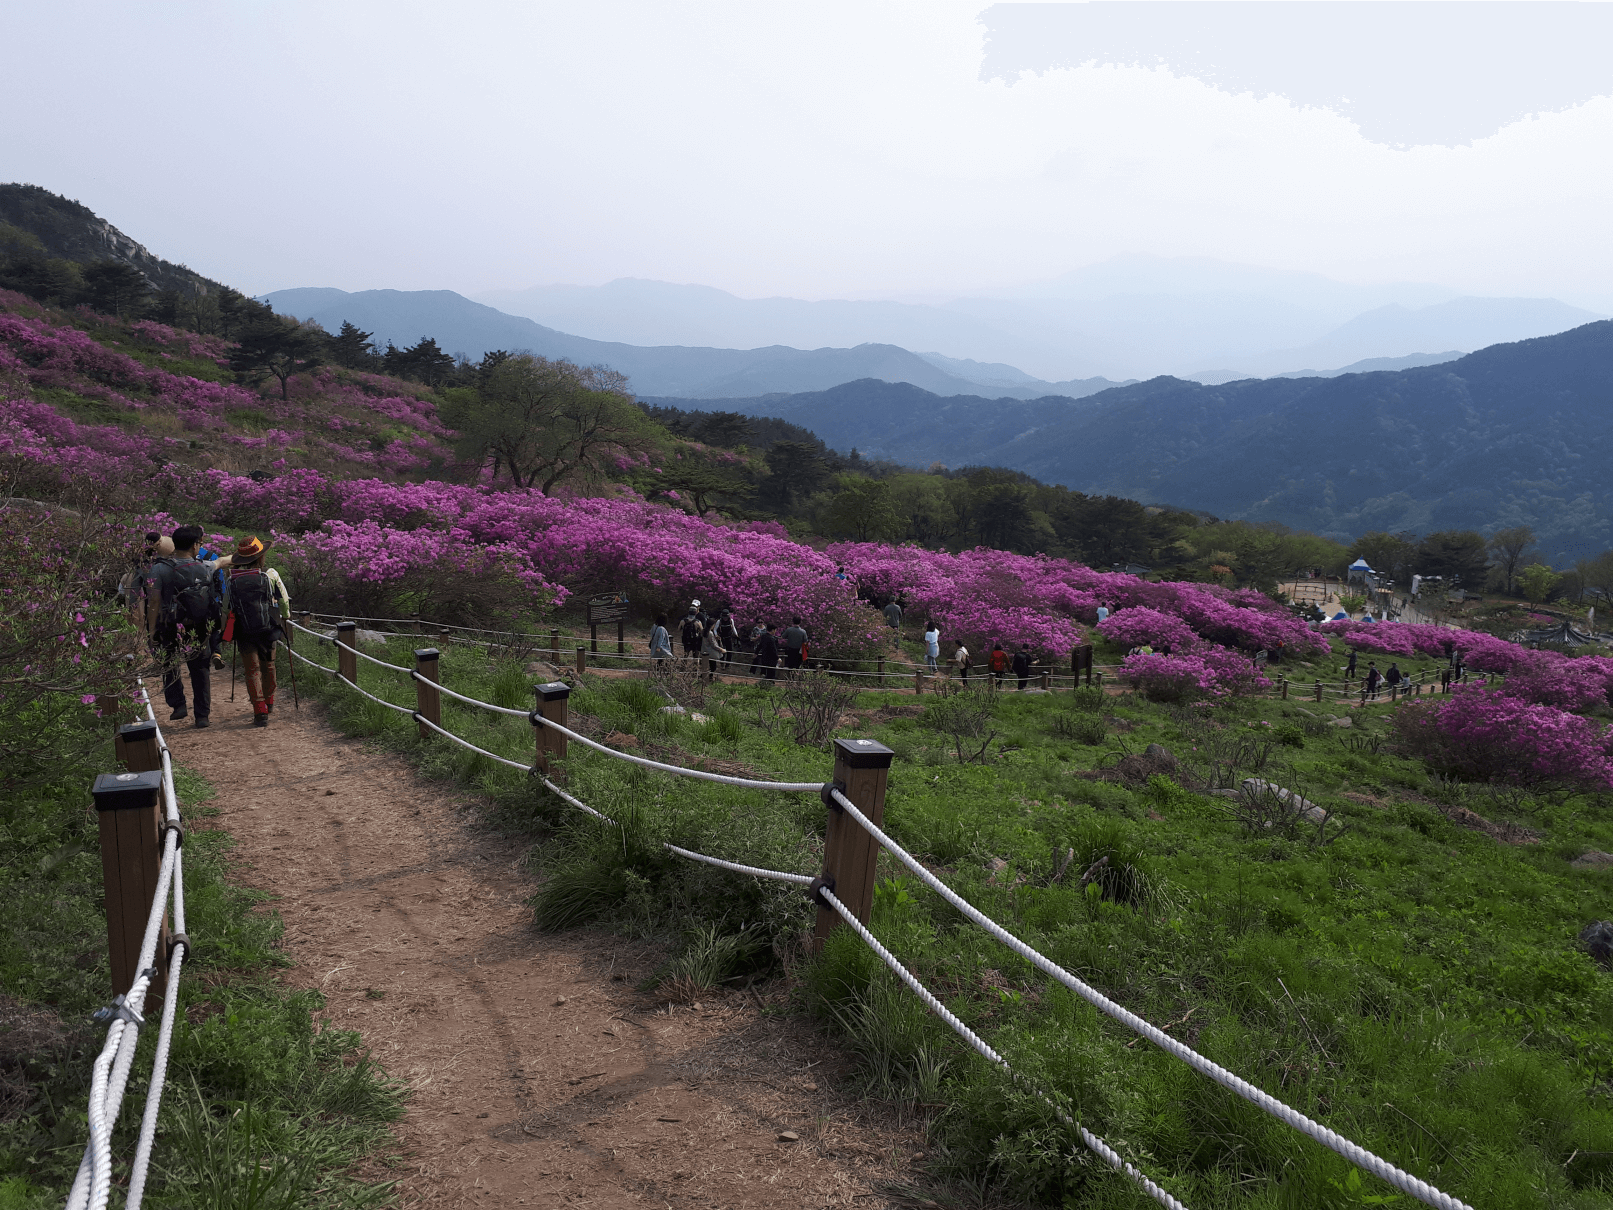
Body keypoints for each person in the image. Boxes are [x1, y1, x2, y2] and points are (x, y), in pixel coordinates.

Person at [147, 524, 218, 728]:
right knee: (200, 669)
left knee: (169, 664)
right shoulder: (204, 566)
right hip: (198, 626)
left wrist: (152, 631)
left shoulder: (158, 568)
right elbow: (221, 563)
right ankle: (202, 715)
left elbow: (153, 602)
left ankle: (178, 705)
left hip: (169, 625)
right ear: (195, 545)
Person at [222, 536, 289, 727]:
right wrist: (286, 616)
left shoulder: (231, 580)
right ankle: (269, 702)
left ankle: (259, 711)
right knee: (269, 666)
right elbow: (283, 599)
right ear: (261, 557)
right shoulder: (270, 574)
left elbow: (227, 608)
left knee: (252, 670)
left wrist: (224, 630)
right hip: (267, 627)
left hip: (244, 629)